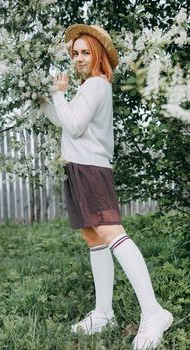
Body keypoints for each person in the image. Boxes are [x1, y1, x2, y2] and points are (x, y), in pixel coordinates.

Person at [39, 24, 173, 350]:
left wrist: (58, 93)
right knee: (93, 236)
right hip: (79, 167)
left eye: (85, 52)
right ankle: (103, 313)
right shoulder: (89, 88)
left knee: (112, 233)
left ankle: (154, 313)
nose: (79, 59)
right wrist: (43, 100)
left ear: (98, 55)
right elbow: (68, 124)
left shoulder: (96, 85)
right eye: (75, 54)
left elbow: (73, 122)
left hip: (91, 169)